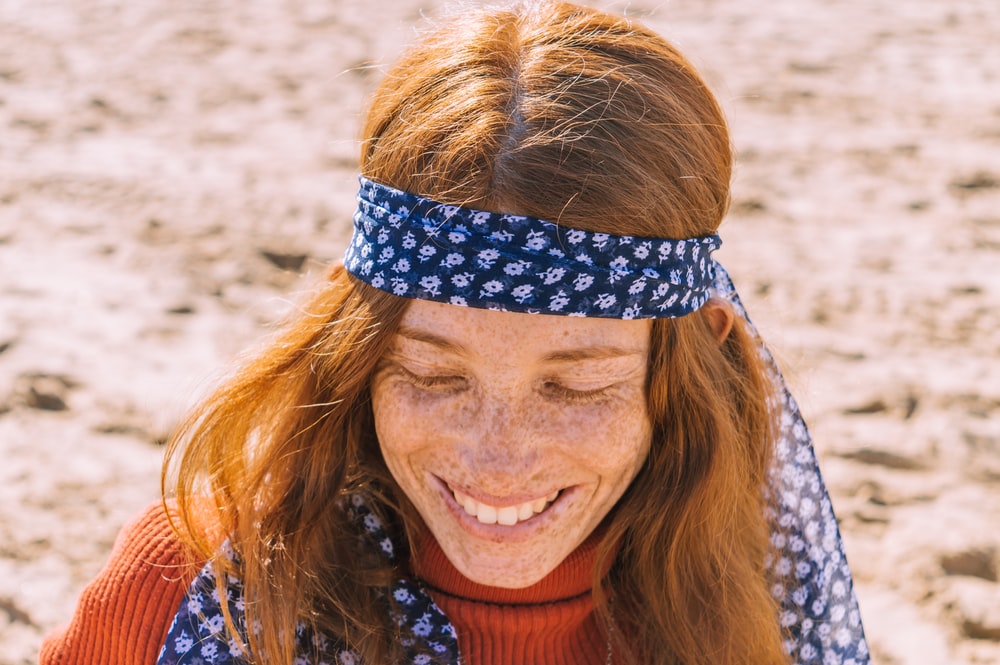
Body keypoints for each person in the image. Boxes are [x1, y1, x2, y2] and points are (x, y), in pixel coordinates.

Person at [40, 2, 870, 664]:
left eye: (573, 384)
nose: (495, 457)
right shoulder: (187, 587)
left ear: (687, 360)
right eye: (434, 376)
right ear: (359, 351)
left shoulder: (772, 603)